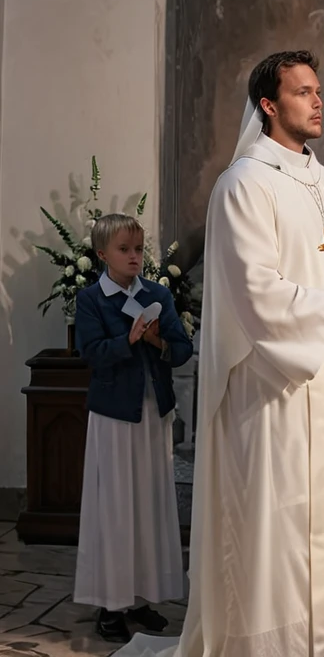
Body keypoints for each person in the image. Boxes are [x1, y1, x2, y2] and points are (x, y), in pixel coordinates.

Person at [120, 50, 324, 657]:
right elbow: (252, 290)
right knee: (281, 519)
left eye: (318, 90)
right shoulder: (243, 183)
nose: (318, 100)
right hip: (274, 385)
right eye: (303, 92)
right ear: (269, 105)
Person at [72, 214, 193, 643]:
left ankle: (143, 596)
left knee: (148, 506)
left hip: (152, 415)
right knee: (116, 510)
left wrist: (157, 339)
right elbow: (91, 352)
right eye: (124, 250)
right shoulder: (91, 300)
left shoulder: (158, 293)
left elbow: (181, 350)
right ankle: (110, 603)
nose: (134, 257)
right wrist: (129, 339)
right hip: (114, 418)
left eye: (139, 249)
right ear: (102, 254)